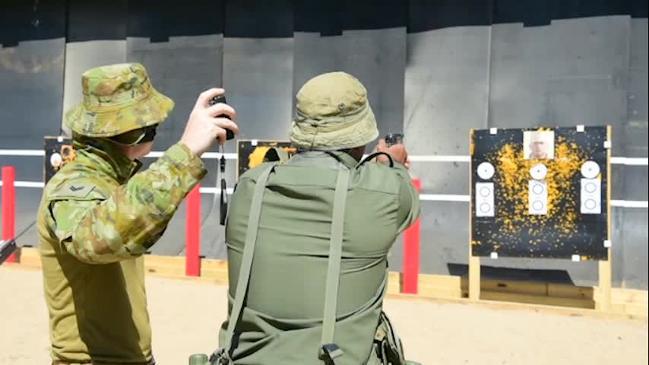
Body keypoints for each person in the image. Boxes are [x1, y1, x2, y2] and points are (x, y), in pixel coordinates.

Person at [213, 72, 421, 364]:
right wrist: (392, 160)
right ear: (360, 134)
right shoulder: (383, 190)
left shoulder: (251, 186)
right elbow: (406, 200)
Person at [37, 63, 238, 365]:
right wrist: (185, 151)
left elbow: (132, 213)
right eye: (150, 126)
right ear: (133, 134)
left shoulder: (111, 181)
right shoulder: (74, 184)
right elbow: (96, 240)